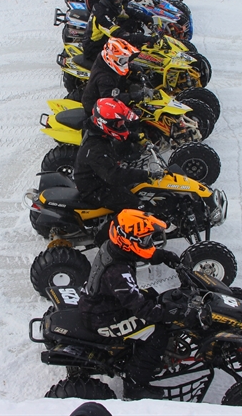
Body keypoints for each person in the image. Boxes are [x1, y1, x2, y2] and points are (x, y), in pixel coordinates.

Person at [79, 209, 184, 400]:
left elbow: (135, 251)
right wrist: (170, 314)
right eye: (145, 240)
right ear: (128, 240)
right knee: (157, 330)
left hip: (103, 304)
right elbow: (142, 308)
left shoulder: (114, 247)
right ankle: (135, 384)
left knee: (154, 296)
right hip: (102, 318)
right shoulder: (118, 272)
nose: (148, 243)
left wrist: (161, 255)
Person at [73, 98, 162, 211]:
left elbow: (121, 133)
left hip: (101, 177)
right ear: (104, 122)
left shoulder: (98, 130)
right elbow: (114, 176)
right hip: (95, 189)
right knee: (138, 207)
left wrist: (137, 138)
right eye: (118, 123)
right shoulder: (95, 148)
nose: (122, 124)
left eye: (122, 122)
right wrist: (146, 175)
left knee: (139, 190)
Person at [81, 0, 153, 68]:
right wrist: (142, 38)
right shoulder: (101, 15)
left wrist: (147, 19)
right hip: (95, 48)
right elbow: (118, 33)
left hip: (107, 41)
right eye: (117, 1)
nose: (119, 3)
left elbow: (129, 12)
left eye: (120, 1)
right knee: (124, 68)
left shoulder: (112, 7)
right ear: (108, 0)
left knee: (131, 23)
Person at [81, 37, 150, 115]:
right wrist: (132, 96)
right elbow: (111, 99)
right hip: (96, 107)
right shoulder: (104, 78)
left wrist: (133, 68)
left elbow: (120, 63)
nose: (125, 62)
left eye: (126, 59)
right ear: (111, 58)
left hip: (108, 92)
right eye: (123, 60)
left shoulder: (104, 60)